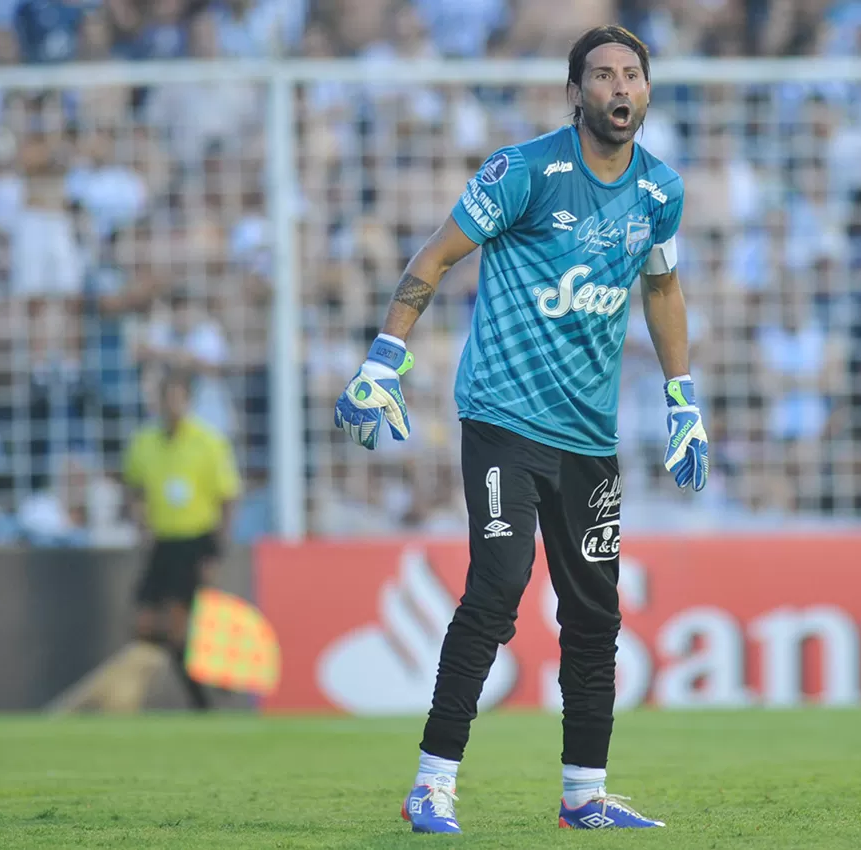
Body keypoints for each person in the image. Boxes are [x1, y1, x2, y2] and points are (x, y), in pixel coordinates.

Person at [334, 25, 708, 835]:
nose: (619, 87)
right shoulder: (526, 172)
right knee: (499, 585)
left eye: (632, 74)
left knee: (596, 614)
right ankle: (432, 783)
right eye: (602, 74)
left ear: (646, 92)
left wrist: (683, 398)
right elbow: (435, 258)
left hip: (589, 437)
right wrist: (384, 357)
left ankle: (584, 795)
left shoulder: (659, 191)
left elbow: (664, 289)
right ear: (576, 92)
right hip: (503, 417)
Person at [122, 368, 241, 711]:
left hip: (195, 540)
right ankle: (209, 679)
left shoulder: (208, 442)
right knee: (143, 625)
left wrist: (216, 550)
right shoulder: (144, 442)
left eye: (177, 398)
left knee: (176, 624)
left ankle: (201, 698)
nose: (171, 405)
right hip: (162, 542)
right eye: (166, 398)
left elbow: (228, 497)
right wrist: (139, 520)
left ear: (188, 401)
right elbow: (133, 487)